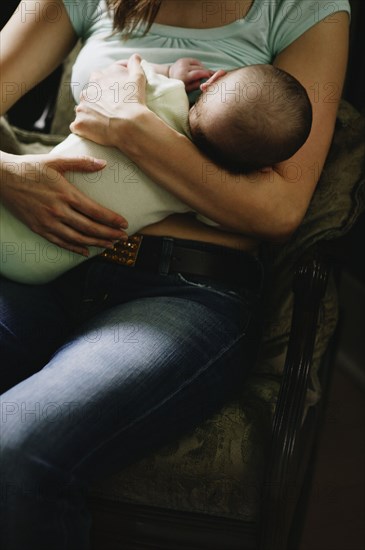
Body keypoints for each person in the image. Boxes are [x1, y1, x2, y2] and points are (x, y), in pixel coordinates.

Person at [0, 1, 350, 549]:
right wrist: (9, 172)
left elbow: (278, 210)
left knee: (15, 450)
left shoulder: (306, 9)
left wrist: (132, 125)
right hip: (44, 263)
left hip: (179, 292)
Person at [1, 59, 312, 284]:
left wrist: (168, 71)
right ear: (262, 168)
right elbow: (235, 229)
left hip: (18, 206)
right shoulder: (195, 196)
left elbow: (118, 71)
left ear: (212, 80)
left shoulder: (162, 93)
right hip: (37, 268)